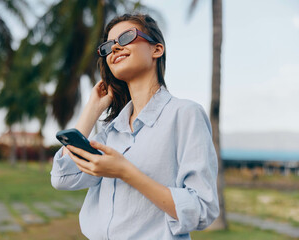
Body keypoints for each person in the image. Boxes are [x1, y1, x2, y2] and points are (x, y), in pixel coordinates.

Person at [51, 13, 219, 240]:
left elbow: (202, 209)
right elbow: (62, 178)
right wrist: (93, 109)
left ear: (156, 50)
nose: (115, 49)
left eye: (126, 37)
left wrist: (125, 171)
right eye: (108, 46)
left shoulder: (185, 114)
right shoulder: (112, 132)